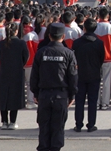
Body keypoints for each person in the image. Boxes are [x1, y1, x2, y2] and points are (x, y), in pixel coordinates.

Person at [31, 23, 78, 151]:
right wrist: (72, 94)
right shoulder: (68, 53)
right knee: (58, 127)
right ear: (63, 36)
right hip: (60, 95)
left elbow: (34, 75)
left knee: (44, 127)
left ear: (49, 36)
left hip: (44, 95)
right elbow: (73, 76)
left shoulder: (41, 52)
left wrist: (35, 93)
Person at [72, 18, 105, 133]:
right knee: (92, 101)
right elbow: (101, 59)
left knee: (79, 101)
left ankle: (78, 125)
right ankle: (91, 125)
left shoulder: (77, 43)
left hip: (80, 74)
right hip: (94, 74)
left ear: (84, 28)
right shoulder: (99, 43)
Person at [0, 23, 28, 130]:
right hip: (17, 72)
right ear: (16, 31)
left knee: (3, 96)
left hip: (4, 71)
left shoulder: (1, 43)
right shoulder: (21, 43)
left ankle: (4, 121)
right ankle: (13, 122)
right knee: (15, 96)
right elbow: (26, 57)